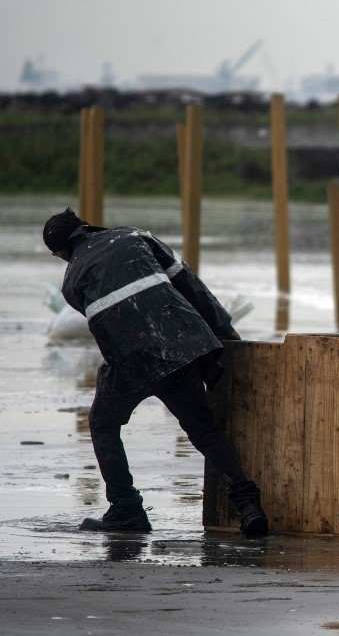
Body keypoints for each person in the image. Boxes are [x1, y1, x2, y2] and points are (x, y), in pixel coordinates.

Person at [42, 208, 268, 536]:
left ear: (59, 253)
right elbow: (190, 285)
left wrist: (114, 372)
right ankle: (248, 506)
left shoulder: (72, 281)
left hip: (132, 362)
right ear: (85, 225)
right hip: (181, 346)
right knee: (204, 430)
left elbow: (113, 327)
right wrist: (227, 332)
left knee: (103, 424)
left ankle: (126, 509)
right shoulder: (135, 236)